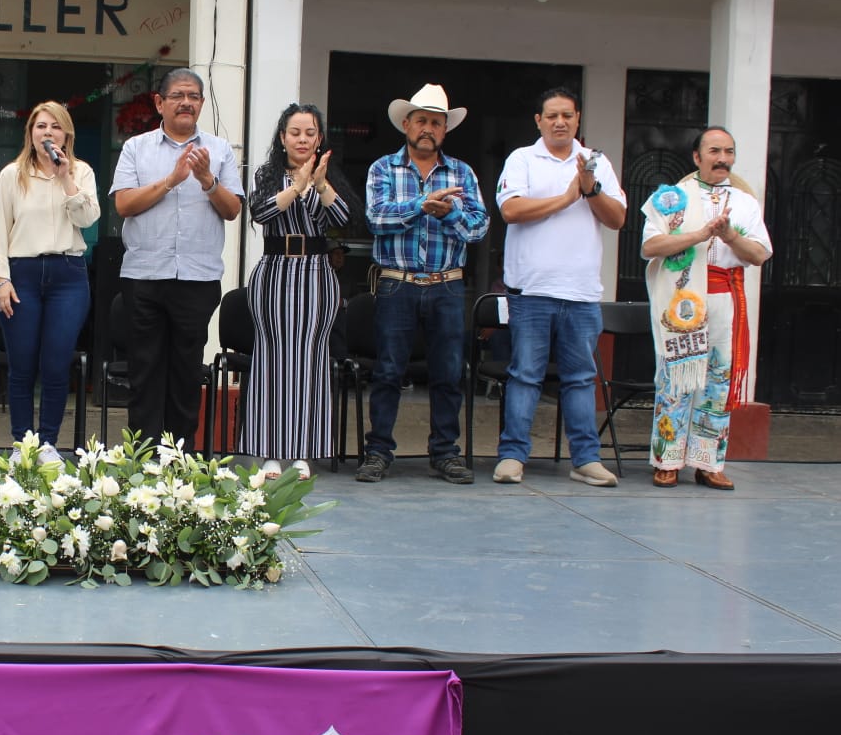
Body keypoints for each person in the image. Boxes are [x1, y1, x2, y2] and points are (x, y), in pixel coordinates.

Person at [492, 87, 626, 487]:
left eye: (567, 115)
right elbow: (511, 210)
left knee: (581, 378)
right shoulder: (522, 159)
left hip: (581, 293)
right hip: (532, 290)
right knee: (525, 375)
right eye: (552, 115)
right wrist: (567, 197)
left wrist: (590, 188)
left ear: (578, 118)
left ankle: (585, 459)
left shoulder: (595, 162)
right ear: (539, 121)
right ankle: (513, 456)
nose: (560, 122)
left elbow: (617, 219)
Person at [356, 83, 487, 485]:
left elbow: (479, 227)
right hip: (398, 283)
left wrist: (448, 214)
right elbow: (375, 219)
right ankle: (378, 452)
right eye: (421, 121)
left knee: (448, 373)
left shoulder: (462, 173)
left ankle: (445, 453)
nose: (428, 128)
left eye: (436, 122)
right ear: (406, 125)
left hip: (447, 285)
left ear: (445, 130)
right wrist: (420, 207)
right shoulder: (383, 168)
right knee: (388, 372)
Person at [111, 68, 243, 448]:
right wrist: (171, 180)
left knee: (186, 373)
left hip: (197, 280)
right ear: (160, 103)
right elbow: (124, 205)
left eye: (194, 96)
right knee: (145, 372)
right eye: (178, 96)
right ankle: (144, 457)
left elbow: (232, 209)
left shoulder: (219, 150)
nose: (186, 103)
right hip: (144, 277)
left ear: (201, 104)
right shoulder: (136, 148)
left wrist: (207, 180)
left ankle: (180, 459)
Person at [641, 127, 772, 490]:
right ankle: (667, 458)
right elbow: (650, 246)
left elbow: (759, 254)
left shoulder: (744, 202)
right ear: (697, 157)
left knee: (717, 379)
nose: (722, 159)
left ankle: (708, 461)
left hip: (724, 297)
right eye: (714, 151)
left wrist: (730, 235)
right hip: (682, 298)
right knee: (676, 377)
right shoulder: (673, 198)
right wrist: (700, 235)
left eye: (729, 151)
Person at [239, 103, 353, 480]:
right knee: (270, 359)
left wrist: (319, 185)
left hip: (316, 273)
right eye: (295, 132)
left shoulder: (327, 175)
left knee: (311, 361)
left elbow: (343, 220)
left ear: (319, 138)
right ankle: (270, 453)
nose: (302, 139)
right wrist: (297, 187)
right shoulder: (268, 174)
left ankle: (303, 453)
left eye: (310, 133)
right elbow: (261, 213)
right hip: (274, 270)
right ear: (283, 137)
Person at [0, 101, 99, 464]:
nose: (47, 132)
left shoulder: (81, 171)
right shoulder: (12, 175)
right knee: (22, 365)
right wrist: (1, 279)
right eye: (40, 126)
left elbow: (88, 219)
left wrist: (65, 178)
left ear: (66, 134)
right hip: (23, 273)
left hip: (68, 275)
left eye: (55, 126)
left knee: (55, 364)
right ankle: (22, 444)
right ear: (30, 133)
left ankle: (47, 444)